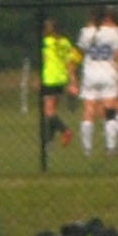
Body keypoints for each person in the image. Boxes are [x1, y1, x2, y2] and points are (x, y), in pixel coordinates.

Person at [76, 6, 118, 154]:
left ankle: (87, 149)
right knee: (110, 110)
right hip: (109, 73)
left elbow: (83, 52)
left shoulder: (85, 32)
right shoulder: (115, 32)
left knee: (88, 110)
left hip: (90, 73)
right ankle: (111, 147)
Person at [39, 18, 77, 146]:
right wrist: (72, 80)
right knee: (53, 110)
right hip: (61, 78)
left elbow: (43, 59)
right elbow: (70, 62)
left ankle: (65, 130)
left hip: (49, 78)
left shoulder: (46, 42)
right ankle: (50, 141)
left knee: (48, 111)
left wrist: (39, 77)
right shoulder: (65, 43)